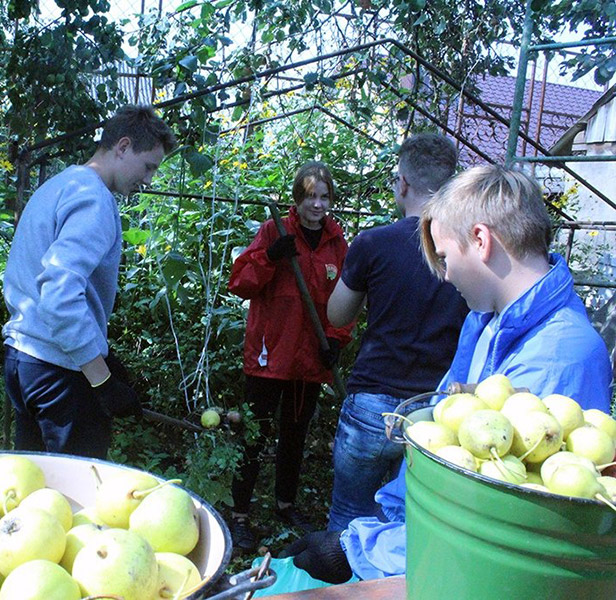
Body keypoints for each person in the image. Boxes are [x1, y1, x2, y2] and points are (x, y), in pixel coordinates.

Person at [282, 164, 613, 584]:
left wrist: (357, 549)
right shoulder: (487, 323)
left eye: (444, 257)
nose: (444, 274)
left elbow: (492, 524)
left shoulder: (558, 358)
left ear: (480, 240)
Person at [1, 105, 177, 458]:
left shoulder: (60, 184)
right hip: (58, 372)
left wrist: (103, 354)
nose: (148, 181)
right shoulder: (95, 198)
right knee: (75, 498)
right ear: (123, 147)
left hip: (23, 361)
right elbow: (59, 293)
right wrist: (102, 379)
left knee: (31, 489)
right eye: (149, 167)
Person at [326, 133, 468, 532]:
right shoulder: (464, 252)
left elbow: (336, 315)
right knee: (407, 527)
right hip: (434, 411)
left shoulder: (374, 243)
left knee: (347, 520)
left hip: (373, 402)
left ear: (402, 183)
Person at [226, 161, 355, 552]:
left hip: (310, 358)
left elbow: (345, 298)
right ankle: (239, 513)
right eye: (310, 196)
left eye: (324, 196)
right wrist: (271, 257)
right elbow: (241, 283)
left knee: (295, 434)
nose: (317, 204)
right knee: (254, 434)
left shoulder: (337, 243)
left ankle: (285, 503)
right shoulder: (274, 231)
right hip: (272, 353)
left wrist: (336, 338)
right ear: (297, 199)